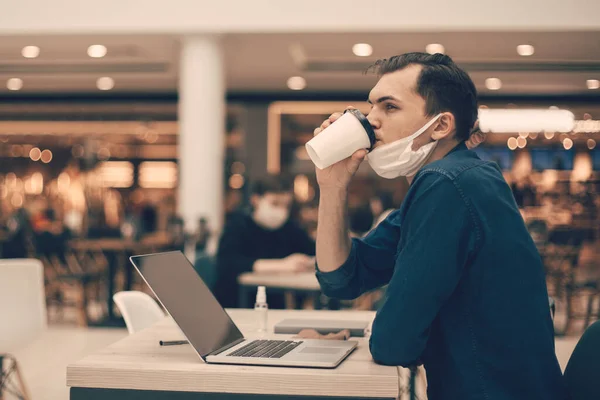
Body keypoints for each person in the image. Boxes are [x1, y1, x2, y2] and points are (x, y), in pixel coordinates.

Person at [311, 53, 565, 400]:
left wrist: (375, 333)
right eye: (371, 107)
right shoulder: (453, 180)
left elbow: (393, 343)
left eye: (389, 107)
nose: (371, 122)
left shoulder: (448, 184)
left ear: (441, 126)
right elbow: (342, 278)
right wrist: (332, 186)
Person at [214, 176, 315, 309]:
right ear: (256, 200)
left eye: (286, 205)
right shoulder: (237, 226)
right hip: (236, 305)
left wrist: (305, 262)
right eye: (275, 204)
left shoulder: (289, 228)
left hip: (275, 305)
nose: (281, 210)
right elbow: (228, 264)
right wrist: (282, 265)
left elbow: (312, 251)